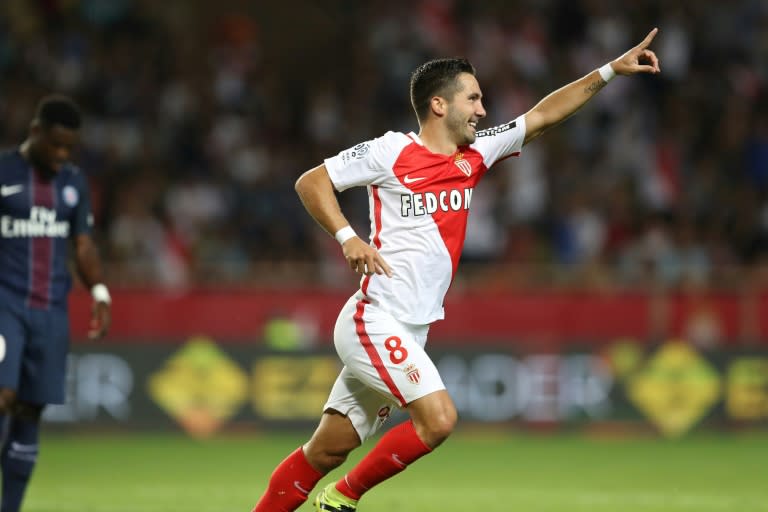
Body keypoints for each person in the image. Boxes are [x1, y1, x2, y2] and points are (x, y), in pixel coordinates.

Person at [251, 28, 660, 512]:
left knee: (328, 448)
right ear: (440, 105)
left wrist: (611, 69)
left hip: (411, 328)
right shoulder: (390, 151)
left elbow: (544, 114)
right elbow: (311, 181)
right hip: (374, 318)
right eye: (474, 98)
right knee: (439, 419)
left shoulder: (476, 153)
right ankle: (340, 499)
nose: (483, 110)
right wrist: (348, 238)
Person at [0, 95, 112, 512]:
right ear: (35, 133)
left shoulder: (72, 182)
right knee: (1, 395)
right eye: (56, 145)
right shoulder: (4, 172)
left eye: (69, 148)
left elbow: (82, 244)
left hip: (50, 309)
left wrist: (99, 290)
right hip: (4, 303)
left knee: (31, 408)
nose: (62, 155)